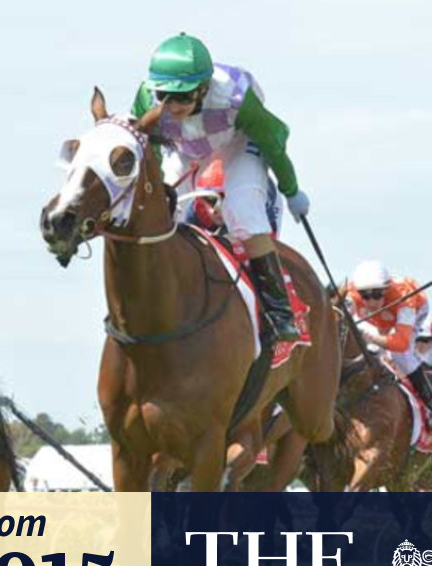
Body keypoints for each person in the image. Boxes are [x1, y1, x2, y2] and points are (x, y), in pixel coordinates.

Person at [130, 33, 307, 342]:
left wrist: (291, 191)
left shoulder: (237, 99)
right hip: (184, 148)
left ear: (203, 88)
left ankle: (279, 312)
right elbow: (150, 158)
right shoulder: (146, 98)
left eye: (183, 97)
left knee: (243, 209)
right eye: (163, 95)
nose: (171, 106)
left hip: (238, 141)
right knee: (160, 213)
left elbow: (274, 145)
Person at [346, 260, 432, 428]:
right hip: (382, 320)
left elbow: (400, 343)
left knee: (401, 355)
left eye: (377, 294)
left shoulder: (404, 299)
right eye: (365, 296)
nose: (371, 302)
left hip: (414, 313)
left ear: (386, 289)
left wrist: (373, 339)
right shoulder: (351, 293)